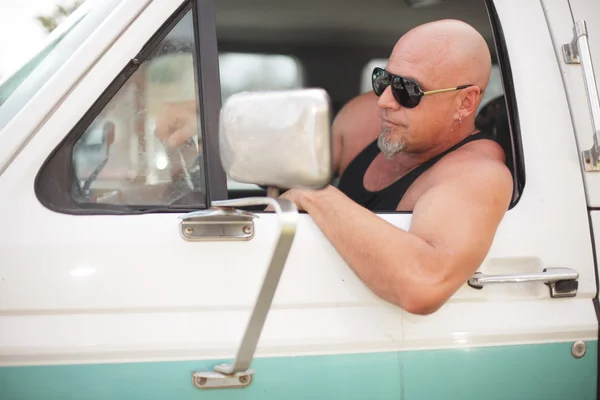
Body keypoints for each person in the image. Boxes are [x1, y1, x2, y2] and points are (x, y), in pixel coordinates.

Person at [156, 19, 513, 315]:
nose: (385, 101)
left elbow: (423, 286)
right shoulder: (363, 120)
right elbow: (278, 149)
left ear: (465, 102)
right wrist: (203, 125)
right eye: (384, 80)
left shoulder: (477, 175)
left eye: (408, 90)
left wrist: (319, 196)